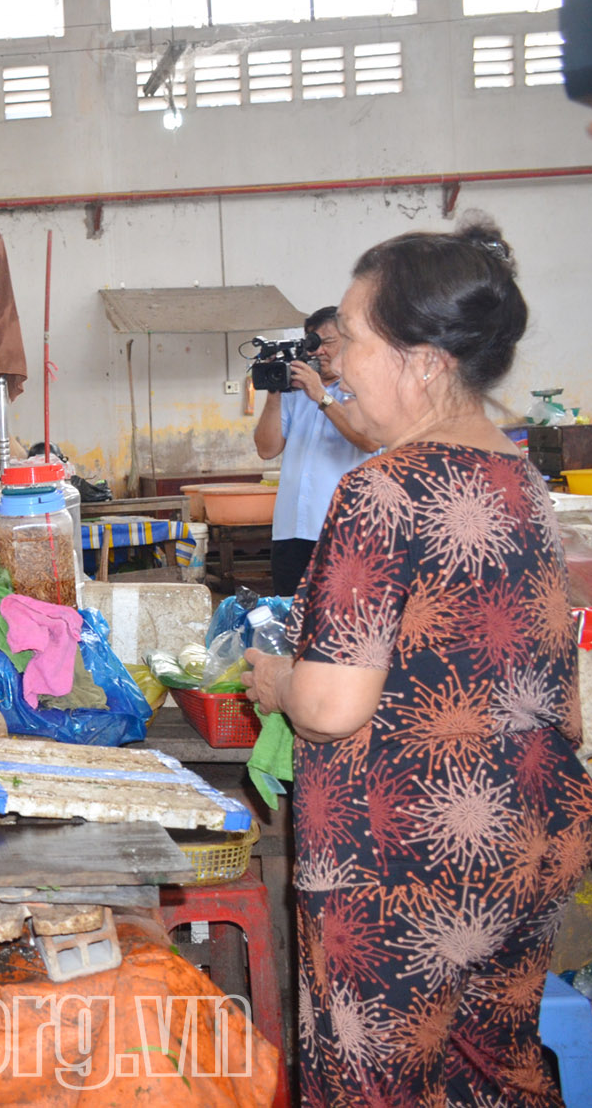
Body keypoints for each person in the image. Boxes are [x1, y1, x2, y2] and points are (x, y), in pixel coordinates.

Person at [243, 219, 592, 1107]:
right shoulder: (520, 482)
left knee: (379, 1084)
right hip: (527, 840)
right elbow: (559, 697)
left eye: (352, 339)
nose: (337, 364)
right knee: (493, 1073)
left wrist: (276, 679)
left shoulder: (382, 489)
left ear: (425, 361)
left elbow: (327, 704)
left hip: (404, 861)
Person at [252, 306, 381, 596]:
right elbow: (266, 448)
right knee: (290, 619)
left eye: (328, 341)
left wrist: (320, 396)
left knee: (341, 620)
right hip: (290, 530)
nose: (318, 351)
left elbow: (368, 440)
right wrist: (275, 391)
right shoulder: (296, 393)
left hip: (344, 533)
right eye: (312, 342)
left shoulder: (364, 389)